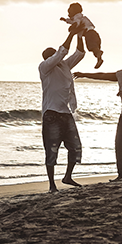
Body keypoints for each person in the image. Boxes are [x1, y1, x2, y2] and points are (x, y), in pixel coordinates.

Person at [74, 49, 122, 180]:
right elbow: (102, 75)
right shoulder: (121, 75)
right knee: (119, 145)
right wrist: (84, 74)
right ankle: (121, 176)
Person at [39, 29, 86, 192]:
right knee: (51, 150)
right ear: (49, 58)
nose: (58, 58)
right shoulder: (45, 67)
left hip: (65, 114)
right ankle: (52, 185)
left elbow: (79, 53)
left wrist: (80, 35)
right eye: (54, 56)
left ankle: (67, 177)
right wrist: (71, 34)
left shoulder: (65, 65)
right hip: (51, 113)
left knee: (75, 147)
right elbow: (62, 52)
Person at [60, 2, 103, 69]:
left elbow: (77, 23)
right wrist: (65, 20)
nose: (68, 14)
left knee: (91, 47)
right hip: (93, 34)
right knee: (94, 49)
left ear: (75, 11)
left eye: (69, 12)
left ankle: (98, 54)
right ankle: (99, 57)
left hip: (89, 34)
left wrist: (72, 28)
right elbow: (72, 21)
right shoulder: (78, 17)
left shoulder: (78, 16)